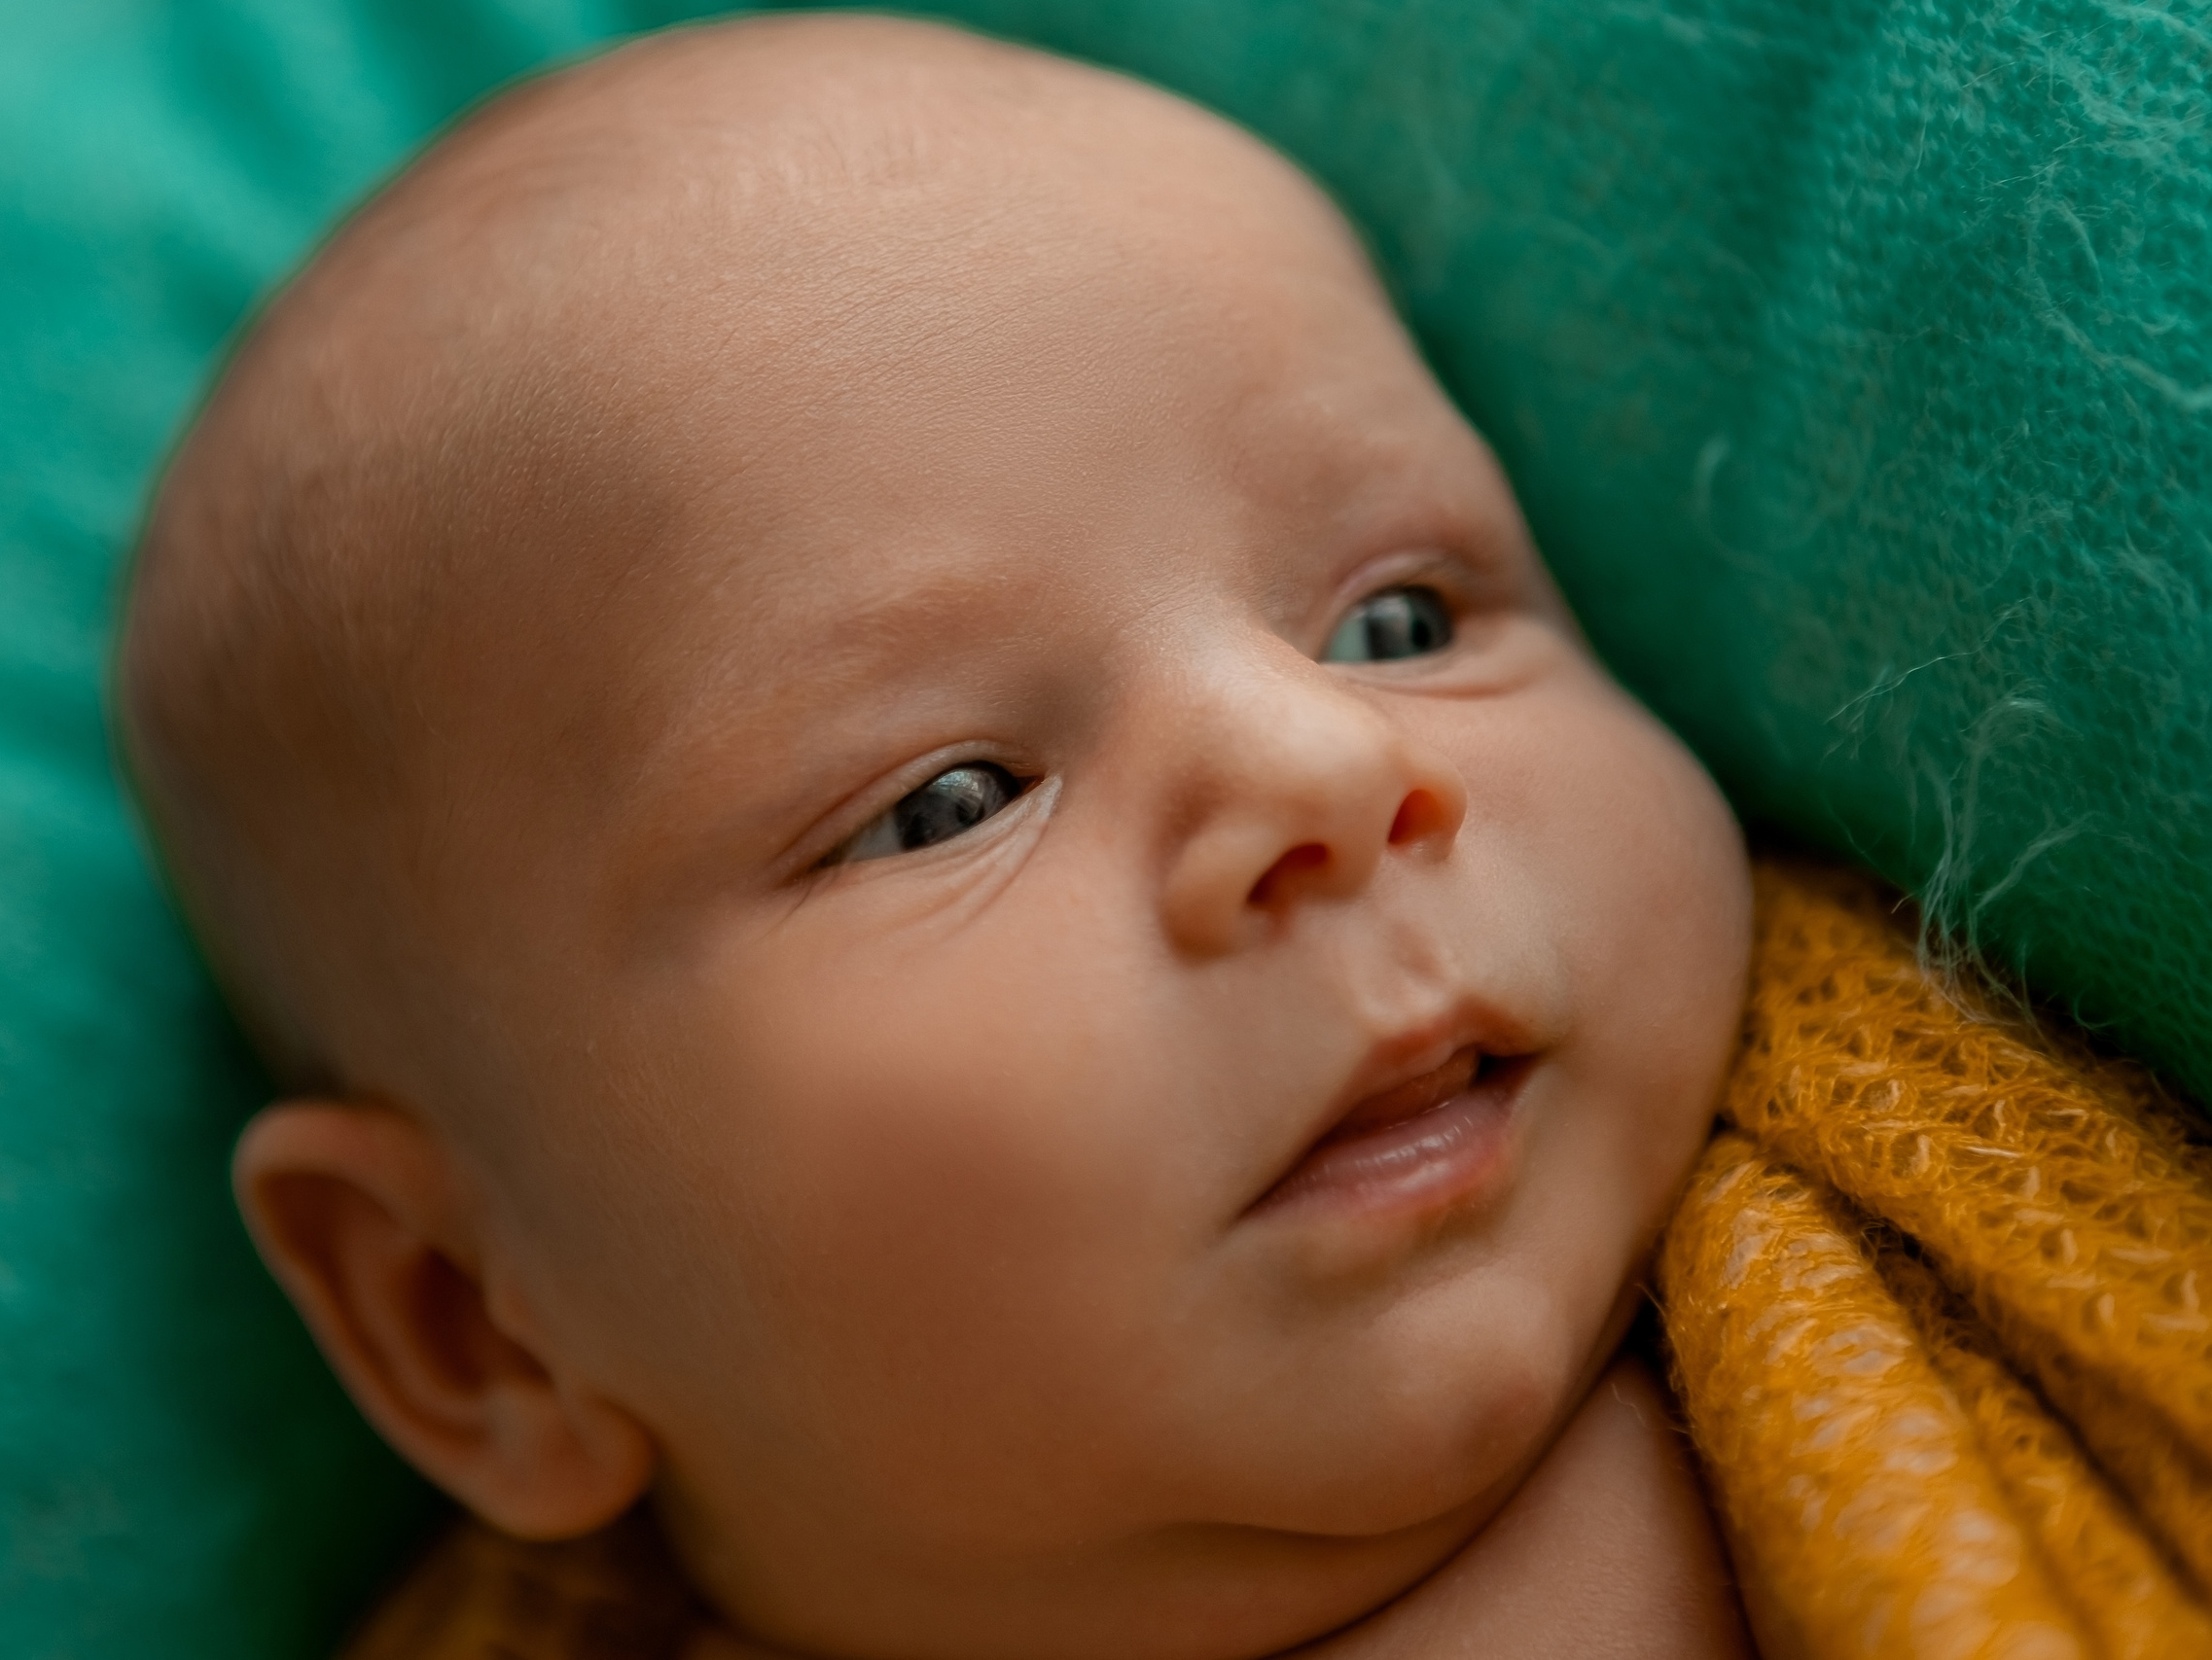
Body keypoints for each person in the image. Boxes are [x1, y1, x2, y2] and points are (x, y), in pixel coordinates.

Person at [117, 15, 1756, 1656]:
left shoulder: (1879, 1164)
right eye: (947, 805)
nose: (1329, 767)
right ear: (475, 1323)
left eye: (1399, 625)